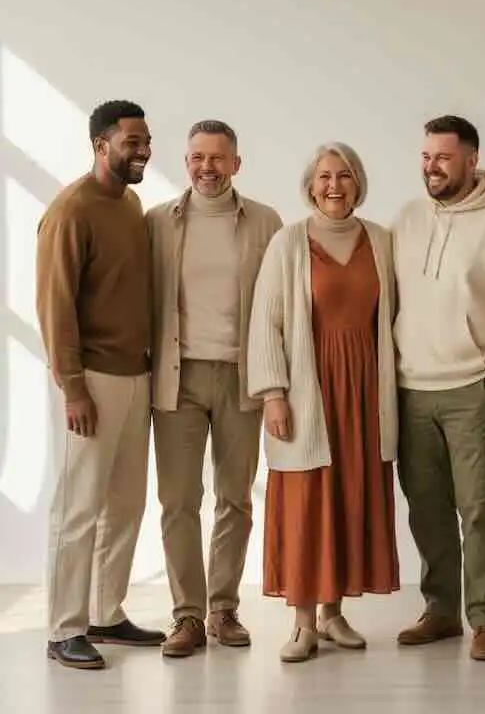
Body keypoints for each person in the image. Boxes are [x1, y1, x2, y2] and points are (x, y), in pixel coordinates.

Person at [392, 115, 485, 661]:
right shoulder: (406, 220)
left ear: (472, 160)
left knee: (481, 509)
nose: (432, 167)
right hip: (411, 390)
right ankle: (439, 612)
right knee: (424, 508)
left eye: (444, 157)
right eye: (426, 156)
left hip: (473, 389)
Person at [247, 142, 399, 663]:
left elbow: (416, 303)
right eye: (325, 177)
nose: (335, 185)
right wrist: (273, 394)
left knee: (349, 497)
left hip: (364, 392)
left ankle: (334, 615)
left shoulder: (380, 240)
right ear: (310, 185)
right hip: (311, 390)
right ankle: (301, 622)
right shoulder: (288, 242)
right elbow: (265, 322)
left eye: (345, 176)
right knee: (307, 500)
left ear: (359, 184)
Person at [35, 100, 166, 670]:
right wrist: (73, 388)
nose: (142, 150)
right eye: (131, 141)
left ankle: (105, 613)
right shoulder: (70, 212)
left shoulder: (131, 203)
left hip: (136, 374)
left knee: (126, 503)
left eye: (146, 140)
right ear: (101, 145)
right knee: (78, 507)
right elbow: (55, 306)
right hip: (89, 379)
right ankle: (64, 629)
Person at [146, 120, 283, 658]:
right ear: (186, 163)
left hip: (241, 376)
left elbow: (282, 304)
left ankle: (223, 609)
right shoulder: (157, 222)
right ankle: (186, 615)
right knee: (178, 500)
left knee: (235, 497)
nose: (208, 167)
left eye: (218, 158)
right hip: (176, 377)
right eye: (198, 157)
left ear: (236, 164)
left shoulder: (265, 223)